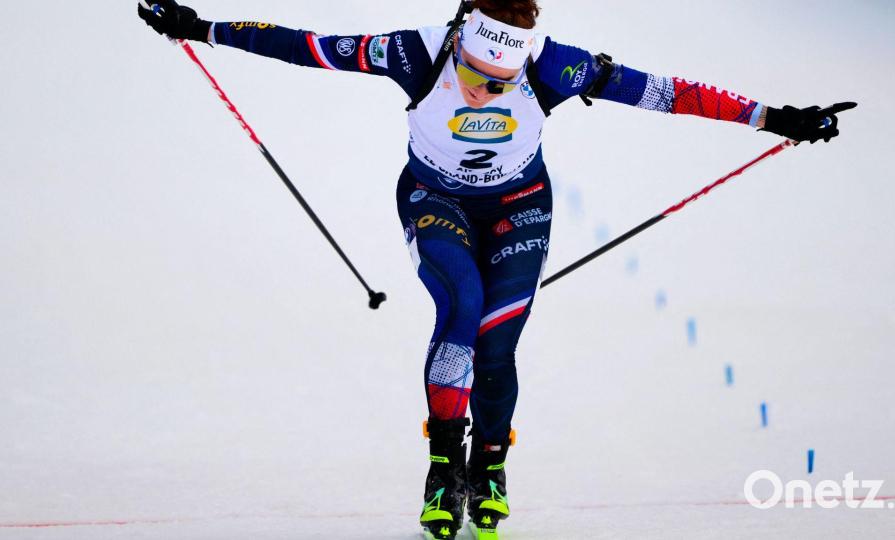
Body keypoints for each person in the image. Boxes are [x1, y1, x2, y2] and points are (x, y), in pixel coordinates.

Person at [138, 1, 852, 538]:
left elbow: (663, 91)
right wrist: (200, 28)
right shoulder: (415, 52)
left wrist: (776, 117)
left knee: (496, 342)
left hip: (520, 206)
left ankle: (490, 467)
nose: (486, 90)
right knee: (461, 309)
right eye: (477, 76)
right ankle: (444, 468)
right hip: (434, 199)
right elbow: (306, 47)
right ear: (459, 44)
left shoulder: (554, 66)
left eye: (503, 81)